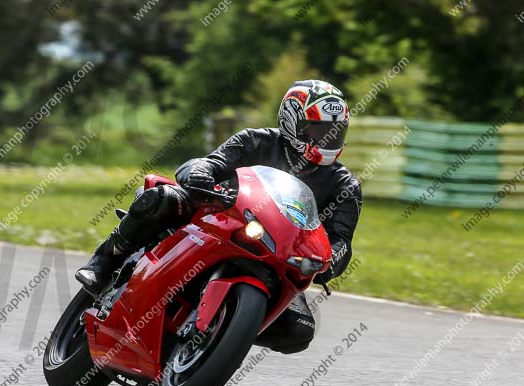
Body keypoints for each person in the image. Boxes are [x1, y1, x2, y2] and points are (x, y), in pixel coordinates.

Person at [75, 80, 361, 354]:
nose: (327, 139)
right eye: (318, 130)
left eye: (335, 132)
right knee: (161, 199)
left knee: (299, 330)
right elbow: (210, 163)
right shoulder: (254, 141)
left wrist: (329, 260)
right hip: (221, 218)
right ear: (292, 121)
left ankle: (222, 334)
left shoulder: (345, 185)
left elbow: (341, 240)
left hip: (276, 255)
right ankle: (104, 261)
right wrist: (200, 173)